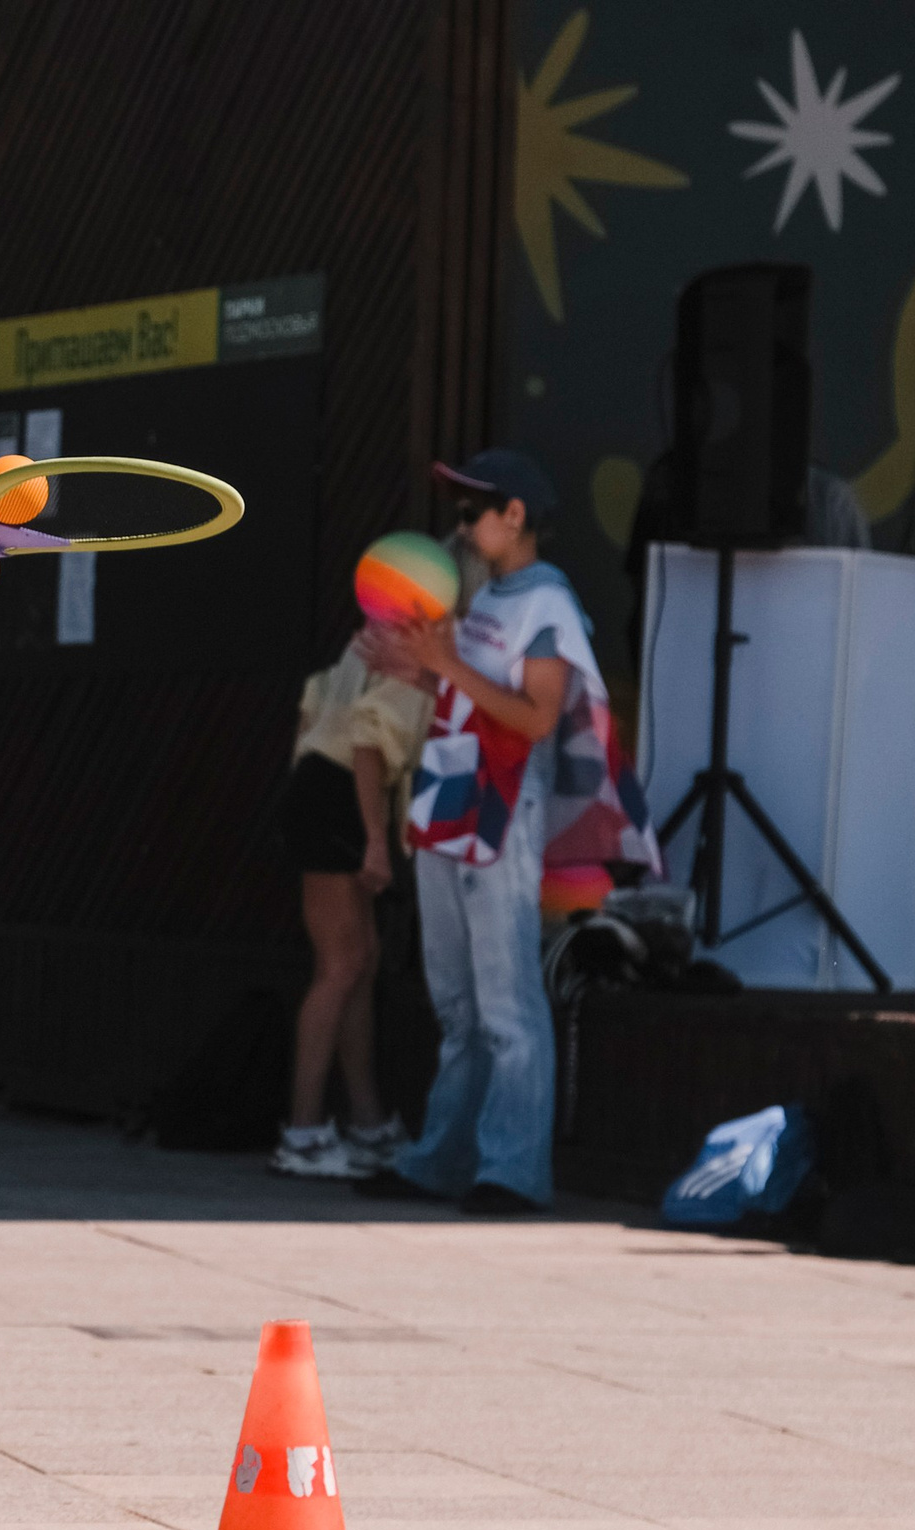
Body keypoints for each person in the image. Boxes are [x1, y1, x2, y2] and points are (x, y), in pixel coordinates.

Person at [358, 449, 653, 1214]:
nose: (459, 526)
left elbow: (535, 718)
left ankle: (513, 1170)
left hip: (498, 811)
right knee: (456, 1003)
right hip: (447, 805)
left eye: (469, 512)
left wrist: (442, 665)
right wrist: (415, 670)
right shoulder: (490, 599)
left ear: (513, 516)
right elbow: (475, 695)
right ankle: (441, 1160)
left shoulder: (546, 603)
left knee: (507, 1004)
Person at [266, 626, 434, 1180]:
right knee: (340, 968)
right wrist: (376, 844)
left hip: (324, 791)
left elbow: (311, 709)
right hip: (341, 796)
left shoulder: (369, 637)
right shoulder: (408, 647)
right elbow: (367, 743)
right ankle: (304, 1133)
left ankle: (367, 1123)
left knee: (360, 960)